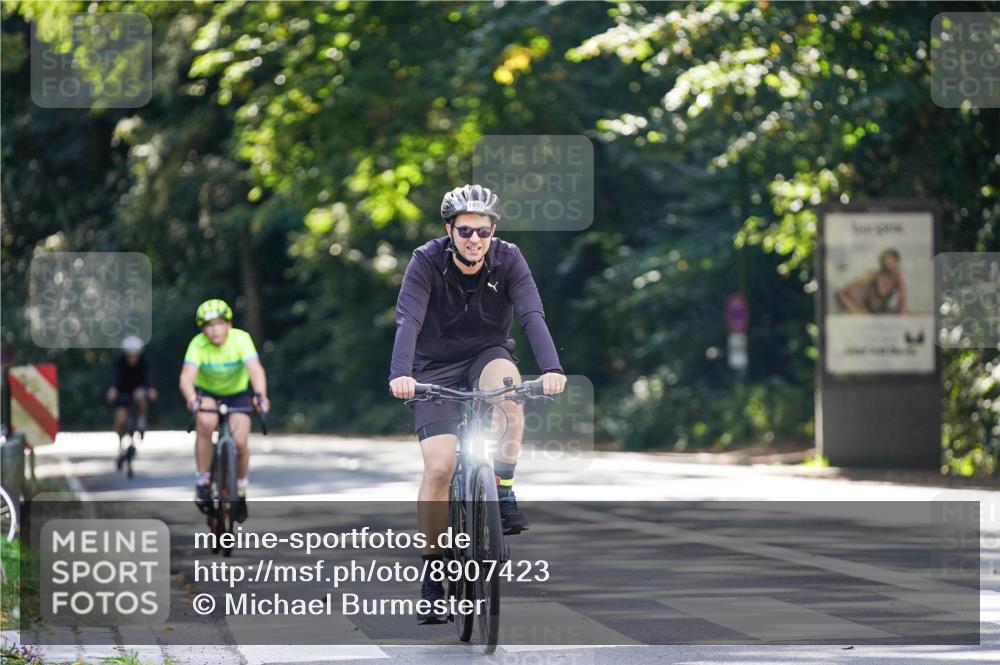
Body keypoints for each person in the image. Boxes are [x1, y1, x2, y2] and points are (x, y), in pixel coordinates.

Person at [389, 184, 567, 623]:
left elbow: (531, 316)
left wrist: (552, 368)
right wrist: (401, 373)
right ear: (450, 229)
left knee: (509, 396)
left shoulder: (509, 259)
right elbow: (408, 318)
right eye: (465, 230)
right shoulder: (425, 262)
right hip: (431, 368)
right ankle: (433, 578)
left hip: (487, 356)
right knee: (438, 467)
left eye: (483, 232)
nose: (475, 239)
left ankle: (502, 490)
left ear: (493, 233)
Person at [179, 299, 270, 523]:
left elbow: (255, 369)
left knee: (240, 442)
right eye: (208, 326)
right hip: (208, 393)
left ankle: (240, 489)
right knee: (206, 423)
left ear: (229, 324)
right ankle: (203, 481)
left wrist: (260, 395)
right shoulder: (198, 344)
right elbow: (186, 377)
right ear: (202, 329)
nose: (214, 330)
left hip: (237, 393)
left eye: (219, 324)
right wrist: (191, 398)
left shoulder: (241, 339)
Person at [106, 335, 157, 466]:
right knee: (121, 419)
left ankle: (141, 421)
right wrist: (113, 389)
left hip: (138, 391)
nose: (132, 358)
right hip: (122, 393)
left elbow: (149, 377)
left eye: (135, 355)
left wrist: (150, 389)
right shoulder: (119, 362)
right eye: (130, 355)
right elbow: (114, 377)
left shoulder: (144, 361)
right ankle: (120, 444)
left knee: (140, 395)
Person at [835, 248, 907, 315]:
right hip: (865, 310)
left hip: (882, 311)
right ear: (883, 261)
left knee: (903, 311)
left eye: (893, 260)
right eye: (888, 260)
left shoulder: (898, 280)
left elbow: (902, 301)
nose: (890, 262)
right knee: (840, 293)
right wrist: (858, 304)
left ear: (897, 262)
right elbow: (848, 289)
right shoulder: (873, 275)